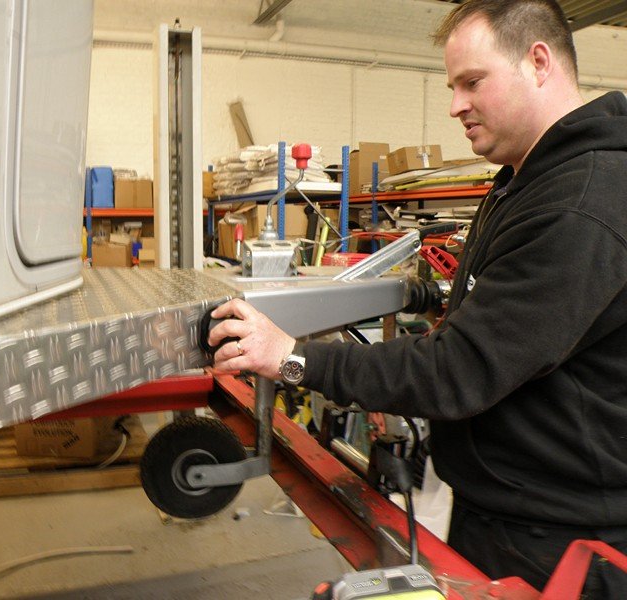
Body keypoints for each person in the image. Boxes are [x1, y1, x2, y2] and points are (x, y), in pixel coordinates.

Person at [208, 0, 627, 595]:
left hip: (560, 538)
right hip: (510, 506)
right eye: (452, 85)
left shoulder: (580, 201)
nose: (455, 105)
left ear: (539, 62)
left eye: (471, 82)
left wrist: (294, 356)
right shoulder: (525, 179)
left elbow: (461, 370)